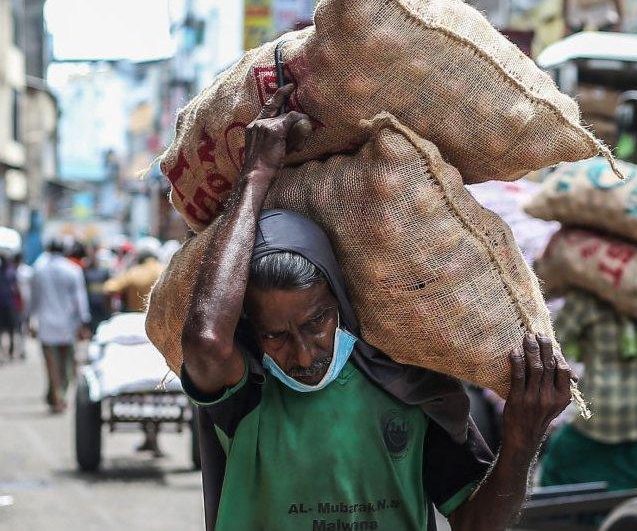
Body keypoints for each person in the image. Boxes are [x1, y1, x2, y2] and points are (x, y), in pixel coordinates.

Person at [171, 85, 573, 530]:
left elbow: (474, 524)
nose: (304, 354)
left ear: (339, 301)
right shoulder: (246, 394)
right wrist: (255, 175)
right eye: (276, 336)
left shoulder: (407, 384)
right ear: (250, 330)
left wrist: (521, 440)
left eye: (316, 322)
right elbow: (205, 341)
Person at [539, 288, 637, 492]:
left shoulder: (585, 300)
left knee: (558, 466)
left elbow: (553, 342)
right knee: (628, 488)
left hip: (597, 417)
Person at [30, 238, 91, 413]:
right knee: (66, 364)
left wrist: (29, 319)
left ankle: (56, 396)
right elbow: (80, 299)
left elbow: (33, 298)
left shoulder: (39, 269)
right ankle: (61, 395)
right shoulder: (72, 270)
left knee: (51, 365)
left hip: (46, 324)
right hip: (67, 325)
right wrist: (84, 321)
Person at [103, 245, 164, 313]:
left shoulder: (132, 273)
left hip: (137, 316)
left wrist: (110, 312)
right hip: (164, 318)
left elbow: (109, 288)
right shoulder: (166, 270)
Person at [82, 246, 112, 332]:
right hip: (91, 308)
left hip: (103, 307)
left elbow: (108, 291)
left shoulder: (104, 272)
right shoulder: (85, 272)